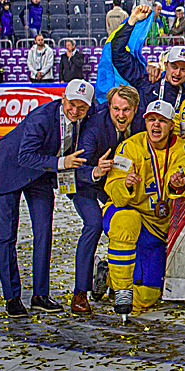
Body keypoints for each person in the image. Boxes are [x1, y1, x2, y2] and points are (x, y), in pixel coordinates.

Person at [0, 79, 95, 317]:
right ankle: (12, 297)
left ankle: (40, 295)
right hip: (10, 168)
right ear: (63, 99)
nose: (75, 111)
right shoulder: (42, 117)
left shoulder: (87, 116)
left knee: (44, 231)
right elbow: (24, 156)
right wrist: (62, 163)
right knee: (6, 236)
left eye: (82, 107)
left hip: (41, 173)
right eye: (72, 104)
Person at [103, 99, 185, 318]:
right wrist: (126, 184)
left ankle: (106, 274)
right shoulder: (129, 146)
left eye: (162, 121)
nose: (156, 125)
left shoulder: (183, 147)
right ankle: (122, 288)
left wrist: (181, 181)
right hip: (127, 213)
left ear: (172, 125)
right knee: (126, 221)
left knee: (148, 295)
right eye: (151, 119)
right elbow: (112, 187)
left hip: (157, 227)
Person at [69, 84, 143, 313]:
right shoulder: (94, 128)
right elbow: (76, 168)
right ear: (109, 107)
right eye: (116, 109)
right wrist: (95, 171)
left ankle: (110, 273)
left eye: (126, 110)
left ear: (135, 109)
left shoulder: (142, 123)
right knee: (93, 224)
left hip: (113, 182)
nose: (121, 115)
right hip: (85, 183)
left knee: (130, 219)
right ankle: (80, 293)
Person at [110, 5, 185, 115]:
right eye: (174, 67)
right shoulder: (148, 79)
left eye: (183, 69)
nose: (177, 73)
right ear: (165, 64)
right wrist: (132, 21)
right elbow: (118, 53)